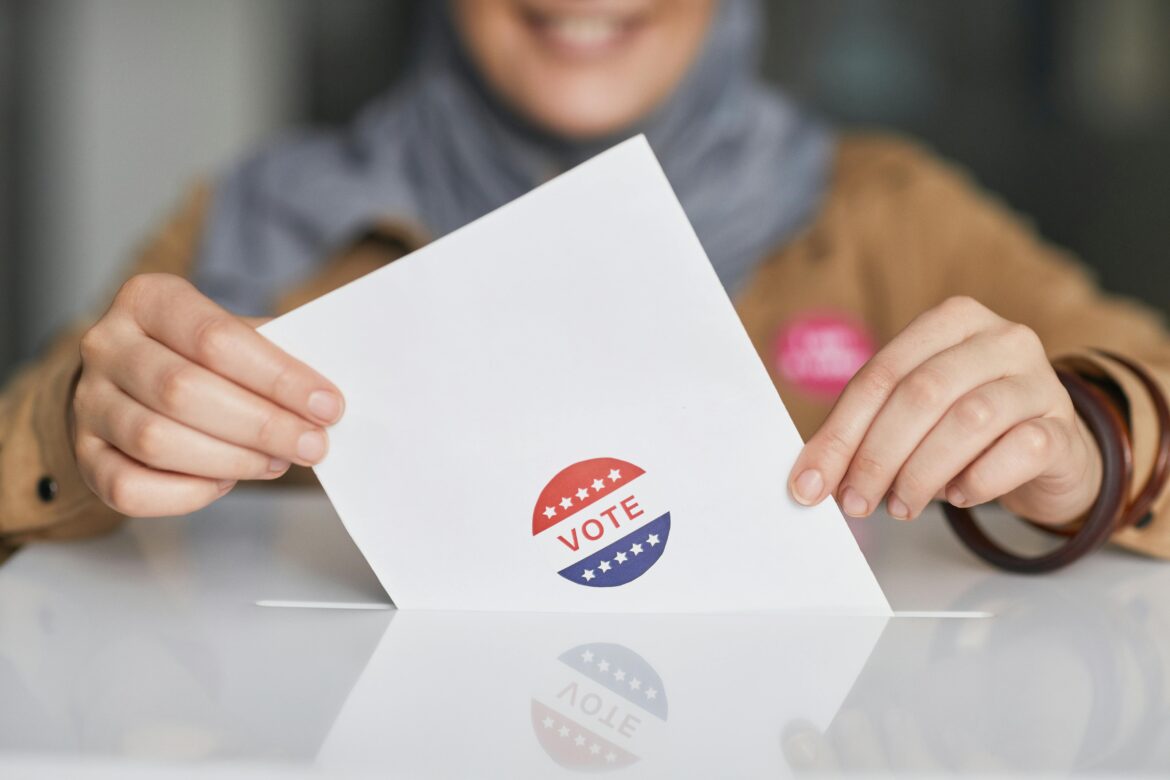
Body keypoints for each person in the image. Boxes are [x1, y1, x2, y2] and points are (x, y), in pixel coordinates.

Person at [1, 0, 1168, 565]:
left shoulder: (888, 216)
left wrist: (1091, 447)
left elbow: (1137, 391)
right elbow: (24, 472)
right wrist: (85, 418)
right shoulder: (261, 221)